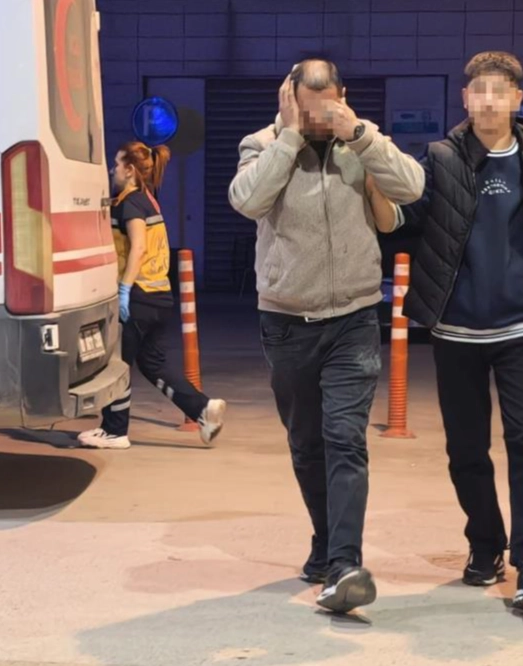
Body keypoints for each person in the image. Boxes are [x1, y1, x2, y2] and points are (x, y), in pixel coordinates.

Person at [400, 51, 523, 612]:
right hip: (455, 325)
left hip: (522, 324)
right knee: (465, 448)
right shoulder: (439, 158)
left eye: (499, 91)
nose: (488, 101)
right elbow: (407, 219)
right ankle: (485, 544)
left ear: (517, 99)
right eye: (479, 91)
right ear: (465, 99)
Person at [228, 59, 424, 614]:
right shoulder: (261, 143)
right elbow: (247, 201)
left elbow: (411, 187)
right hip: (287, 322)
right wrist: (289, 138)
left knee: (345, 439)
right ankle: (325, 541)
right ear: (289, 98)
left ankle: (344, 565)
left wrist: (358, 134)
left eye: (327, 107)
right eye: (307, 110)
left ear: (342, 95)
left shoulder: (360, 140)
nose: (319, 120)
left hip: (353, 319)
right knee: (307, 445)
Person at [79, 142, 227, 450]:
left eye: (117, 164)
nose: (112, 169)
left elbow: (139, 248)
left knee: (117, 365)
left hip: (139, 297)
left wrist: (124, 290)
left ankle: (114, 430)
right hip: (159, 296)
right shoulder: (148, 200)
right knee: (153, 364)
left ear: (130, 170)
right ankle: (203, 410)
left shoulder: (131, 204)